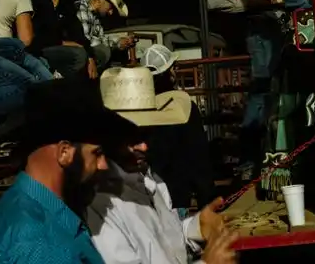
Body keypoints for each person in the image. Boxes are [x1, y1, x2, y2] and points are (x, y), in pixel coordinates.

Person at [87, 67, 238, 264]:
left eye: (146, 135)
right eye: (132, 139)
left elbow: (166, 243)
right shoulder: (101, 207)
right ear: (108, 139)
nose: (143, 145)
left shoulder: (151, 180)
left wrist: (196, 227)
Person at [0, 78, 141, 263]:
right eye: (96, 153)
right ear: (64, 152)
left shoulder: (20, 203)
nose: (103, 165)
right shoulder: (44, 242)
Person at [207, 0, 289, 179]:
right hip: (259, 28)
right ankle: (250, 162)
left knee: (282, 91)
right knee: (262, 92)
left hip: (284, 26)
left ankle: (272, 158)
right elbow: (215, 0)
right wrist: (249, 3)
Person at [141, 44, 215, 213]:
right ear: (171, 72)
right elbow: (199, 157)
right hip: (177, 197)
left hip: (144, 200)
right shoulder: (184, 105)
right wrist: (206, 200)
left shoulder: (137, 107)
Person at [76, 0, 135, 73]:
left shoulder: (95, 16)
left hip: (85, 55)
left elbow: (100, 38)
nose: (110, 12)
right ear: (100, 0)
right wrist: (116, 43)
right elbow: (87, 42)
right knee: (103, 52)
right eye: (110, 7)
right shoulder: (81, 9)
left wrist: (118, 42)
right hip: (79, 56)